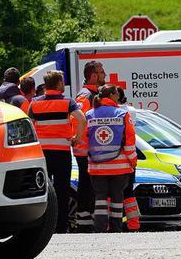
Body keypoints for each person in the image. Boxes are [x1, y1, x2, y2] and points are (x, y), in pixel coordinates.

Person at [27, 70, 86, 233]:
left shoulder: (35, 102)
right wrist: (77, 137)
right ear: (59, 83)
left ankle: (43, 226)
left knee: (42, 189)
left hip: (42, 153)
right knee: (62, 190)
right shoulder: (68, 102)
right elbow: (81, 119)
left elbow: (28, 125)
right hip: (62, 152)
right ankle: (60, 226)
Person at [87, 84, 137, 233]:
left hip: (96, 167)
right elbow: (129, 141)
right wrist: (133, 161)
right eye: (116, 94)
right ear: (111, 96)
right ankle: (116, 228)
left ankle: (100, 228)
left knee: (100, 199)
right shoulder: (121, 114)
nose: (118, 96)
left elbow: (85, 141)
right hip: (119, 167)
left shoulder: (89, 114)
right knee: (117, 198)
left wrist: (88, 160)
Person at [73, 61, 106, 232]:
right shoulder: (85, 97)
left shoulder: (94, 94)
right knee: (87, 185)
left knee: (92, 186)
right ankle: (84, 221)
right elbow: (78, 121)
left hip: (92, 150)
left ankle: (88, 218)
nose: (104, 75)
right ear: (93, 76)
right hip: (85, 150)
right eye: (101, 72)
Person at [117, 86, 140, 232]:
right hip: (127, 158)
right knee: (128, 193)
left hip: (113, 159)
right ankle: (134, 225)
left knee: (110, 194)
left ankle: (111, 225)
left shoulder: (126, 112)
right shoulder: (129, 111)